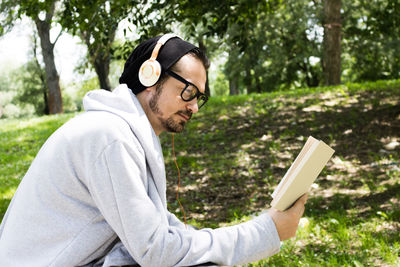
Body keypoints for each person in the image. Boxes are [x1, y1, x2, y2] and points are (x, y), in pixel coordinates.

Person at [0, 34, 307, 266]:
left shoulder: (122, 133)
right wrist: (266, 232)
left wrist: (263, 229)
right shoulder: (109, 138)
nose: (194, 106)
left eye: (200, 96)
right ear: (150, 76)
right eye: (188, 91)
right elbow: (156, 251)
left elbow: (161, 233)